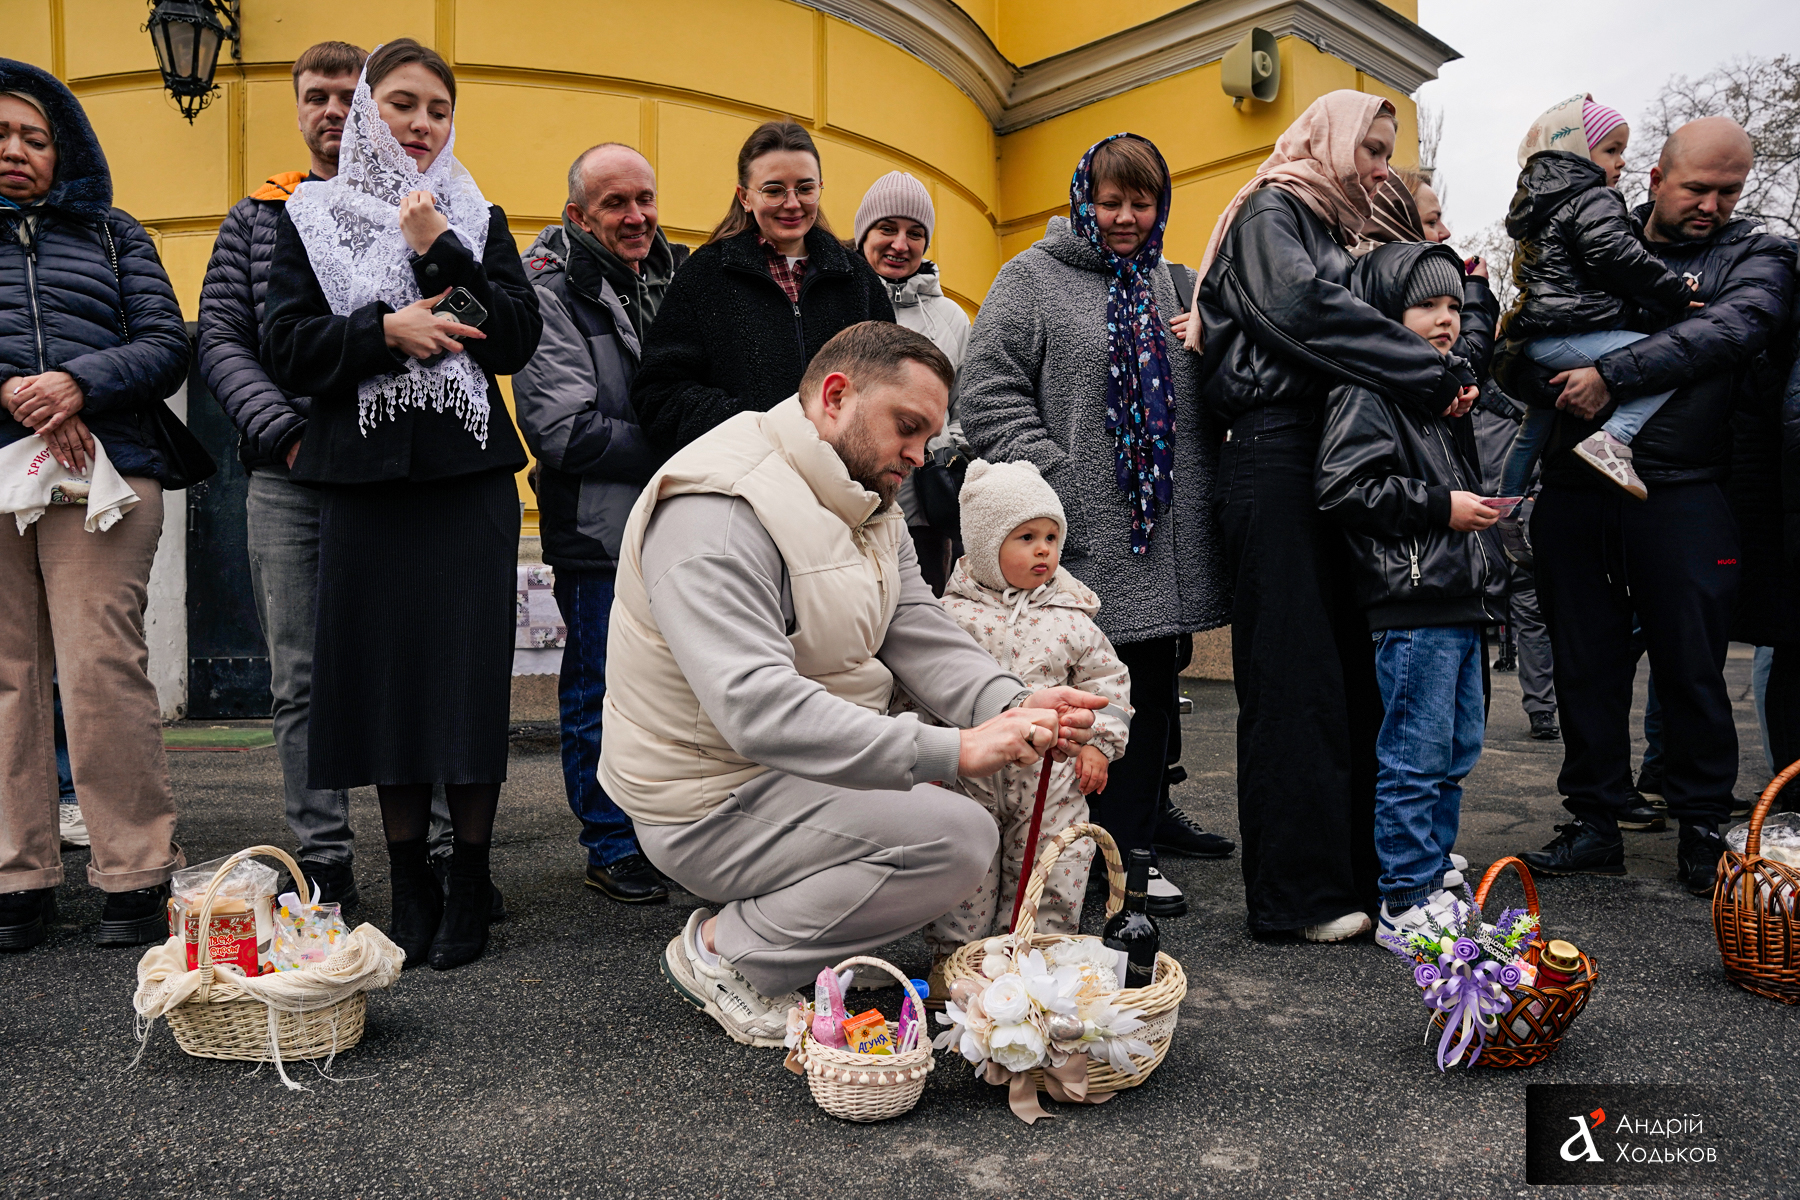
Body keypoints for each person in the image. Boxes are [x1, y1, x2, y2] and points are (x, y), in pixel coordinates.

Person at [599, 321, 1106, 1047]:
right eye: (908, 427)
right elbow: (755, 706)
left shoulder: (862, 492)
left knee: (949, 811)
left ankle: (794, 934)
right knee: (958, 836)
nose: (921, 455)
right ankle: (723, 953)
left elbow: (915, 624)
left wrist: (1013, 701)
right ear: (836, 396)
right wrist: (955, 749)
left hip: (786, 774)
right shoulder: (719, 508)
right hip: (707, 801)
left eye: (930, 436)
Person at [261, 40, 543, 968]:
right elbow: (287, 346)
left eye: (437, 109)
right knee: (384, 684)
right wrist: (384, 332)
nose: (420, 124)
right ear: (366, 114)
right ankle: (409, 882)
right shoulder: (312, 216)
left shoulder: (476, 214)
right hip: (364, 484)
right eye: (402, 104)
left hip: (467, 484)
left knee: (464, 681)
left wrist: (436, 247)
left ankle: (468, 880)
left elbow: (513, 338)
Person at [1184, 90, 1479, 943]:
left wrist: (1445, 361)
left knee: (1351, 676)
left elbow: (1416, 298)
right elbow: (1302, 310)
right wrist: (1425, 373)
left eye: (1388, 151)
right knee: (1292, 679)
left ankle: (1359, 873)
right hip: (1273, 454)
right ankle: (1296, 897)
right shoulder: (1272, 208)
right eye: (1371, 149)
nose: (1381, 168)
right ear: (1328, 139)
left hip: (1328, 448)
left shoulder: (1342, 227)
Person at [1502, 117, 1795, 893]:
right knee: (1583, 666)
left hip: (1686, 491)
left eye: (1729, 191)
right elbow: (1528, 336)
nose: (1713, 206)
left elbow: (1733, 330)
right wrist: (1532, 368)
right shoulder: (1594, 231)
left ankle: (1701, 826)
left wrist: (1612, 374)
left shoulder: (1758, 253)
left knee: (1692, 667)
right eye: (1697, 188)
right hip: (1576, 490)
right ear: (1657, 178)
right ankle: (1594, 820)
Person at [961, 132, 1233, 921]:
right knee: (1079, 698)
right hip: (1074, 538)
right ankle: (1075, 858)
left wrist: (1211, 340)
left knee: (1147, 690)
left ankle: (1133, 850)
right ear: (1083, 200)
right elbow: (986, 393)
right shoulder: (1031, 278)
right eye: (1110, 202)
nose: (1124, 218)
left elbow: (1218, 392)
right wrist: (1058, 483)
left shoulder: (1177, 284)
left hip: (1164, 538)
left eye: (1141, 204)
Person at [0, 60, 191, 951]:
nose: (15, 150)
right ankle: (16, 875)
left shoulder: (115, 233)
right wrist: (16, 392)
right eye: (0, 135)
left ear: (64, 149)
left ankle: (135, 871)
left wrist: (77, 383)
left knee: (100, 668)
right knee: (5, 678)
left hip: (104, 471)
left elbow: (166, 343)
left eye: (34, 137)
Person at [197, 40, 367, 906]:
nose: (332, 111)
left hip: (391, 474)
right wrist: (288, 434)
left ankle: (434, 845)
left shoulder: (413, 204)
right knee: (299, 677)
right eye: (316, 96)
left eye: (349, 96)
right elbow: (222, 342)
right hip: (289, 474)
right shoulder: (255, 219)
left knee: (405, 663)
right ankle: (323, 855)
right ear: (298, 108)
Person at [1315, 241, 1508, 943]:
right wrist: (1439, 506)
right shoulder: (1368, 389)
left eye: (1454, 305)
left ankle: (1431, 867)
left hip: (1458, 598)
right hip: (1414, 602)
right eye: (1427, 304)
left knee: (1455, 750)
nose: (1447, 318)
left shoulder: (1437, 396)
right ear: (1387, 314)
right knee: (1415, 756)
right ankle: (1404, 894)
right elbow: (1343, 487)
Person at [512, 142, 687, 905]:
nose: (637, 216)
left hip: (675, 524)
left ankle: (658, 834)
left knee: (670, 693)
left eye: (645, 198)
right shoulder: (550, 291)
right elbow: (564, 431)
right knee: (599, 690)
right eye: (616, 203)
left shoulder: (673, 278)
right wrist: (687, 438)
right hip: (599, 531)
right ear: (579, 216)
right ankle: (610, 843)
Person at [920, 459, 1131, 980]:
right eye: (1026, 537)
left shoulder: (1073, 619)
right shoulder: (952, 617)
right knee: (967, 868)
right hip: (970, 772)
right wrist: (925, 757)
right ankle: (958, 965)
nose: (1044, 550)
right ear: (985, 546)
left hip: (1051, 776)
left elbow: (1107, 685)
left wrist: (1098, 744)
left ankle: (1038, 962)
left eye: (1052, 537)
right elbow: (923, 685)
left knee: (1052, 865)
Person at [629, 121, 895, 455]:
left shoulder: (857, 278)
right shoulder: (703, 276)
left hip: (841, 477)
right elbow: (658, 394)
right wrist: (753, 425)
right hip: (744, 474)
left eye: (805, 188)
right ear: (745, 197)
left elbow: (890, 381)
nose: (792, 203)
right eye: (773, 190)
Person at [1496, 95, 1701, 505]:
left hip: (1541, 336)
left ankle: (1505, 509)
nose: (1621, 161)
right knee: (1667, 359)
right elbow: (1617, 256)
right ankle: (1613, 439)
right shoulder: (1594, 198)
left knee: (1533, 428)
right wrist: (1675, 293)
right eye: (1611, 150)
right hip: (1570, 333)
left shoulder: (1542, 208)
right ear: (1576, 151)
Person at [853, 170, 971, 591]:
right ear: (864, 234)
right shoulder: (836, 302)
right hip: (845, 510)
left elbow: (966, 410)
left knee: (921, 615)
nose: (900, 244)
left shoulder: (952, 318)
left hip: (923, 518)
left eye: (915, 233)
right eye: (887, 228)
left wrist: (933, 451)